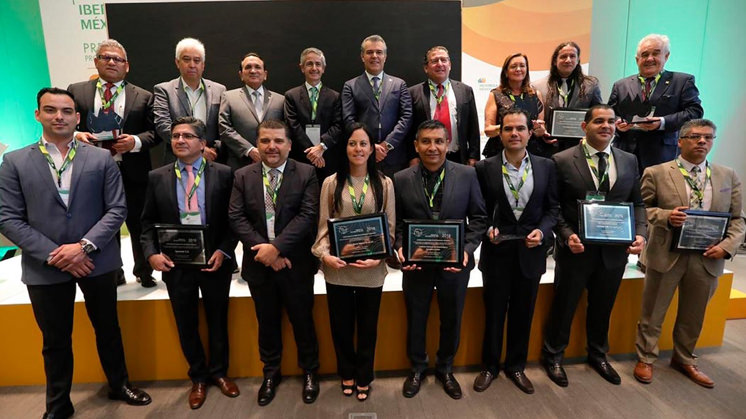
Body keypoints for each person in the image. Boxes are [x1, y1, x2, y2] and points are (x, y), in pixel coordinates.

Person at [0, 87, 151, 418]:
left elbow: (117, 209)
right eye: (51, 110)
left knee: (108, 328)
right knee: (55, 340)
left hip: (96, 260)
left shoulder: (100, 158)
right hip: (46, 266)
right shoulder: (14, 162)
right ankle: (58, 404)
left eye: (66, 111)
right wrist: (57, 254)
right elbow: (7, 217)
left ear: (77, 117)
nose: (59, 116)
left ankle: (119, 384)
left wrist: (83, 247)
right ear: (38, 114)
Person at [633, 119, 745, 388]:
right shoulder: (657, 172)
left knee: (694, 314)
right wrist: (664, 216)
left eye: (708, 137)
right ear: (680, 141)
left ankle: (684, 358)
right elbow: (640, 209)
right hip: (666, 254)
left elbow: (738, 219)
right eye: (695, 136)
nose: (702, 142)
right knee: (653, 312)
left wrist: (727, 246)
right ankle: (646, 358)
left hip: (707, 257)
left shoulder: (727, 175)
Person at [542, 105, 647, 387]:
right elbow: (553, 207)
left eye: (611, 121)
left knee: (603, 306)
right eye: (599, 121)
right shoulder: (561, 160)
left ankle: (598, 355)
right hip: (577, 248)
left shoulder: (628, 160)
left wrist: (640, 233)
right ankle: (553, 356)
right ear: (584, 126)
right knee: (564, 306)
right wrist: (565, 235)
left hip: (613, 251)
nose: (606, 126)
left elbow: (637, 204)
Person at [140, 117, 239, 409]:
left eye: (187, 136)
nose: (180, 140)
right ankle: (198, 377)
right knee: (186, 322)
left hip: (214, 261)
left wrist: (225, 250)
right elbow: (146, 222)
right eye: (175, 136)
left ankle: (220, 373)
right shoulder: (156, 176)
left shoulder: (224, 174)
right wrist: (151, 254)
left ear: (202, 143)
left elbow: (234, 220)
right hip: (175, 263)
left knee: (218, 320)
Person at [228, 120, 321, 406]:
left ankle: (310, 372)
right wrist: (266, 253)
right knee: (267, 322)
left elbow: (307, 216)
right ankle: (271, 373)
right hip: (259, 265)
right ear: (257, 144)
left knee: (302, 321)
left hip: (296, 264)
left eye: (278, 141)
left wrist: (277, 249)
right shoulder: (243, 175)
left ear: (289, 145)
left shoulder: (306, 173)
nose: (272, 146)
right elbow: (236, 217)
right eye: (266, 140)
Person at [394, 120, 487, 400]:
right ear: (416, 145)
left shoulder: (467, 175)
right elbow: (397, 223)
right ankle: (418, 368)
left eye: (438, 141)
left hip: (455, 264)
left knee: (451, 318)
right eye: (426, 141)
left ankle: (446, 368)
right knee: (416, 318)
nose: (432, 147)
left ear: (448, 144)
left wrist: (468, 248)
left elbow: (479, 218)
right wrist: (400, 246)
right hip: (416, 264)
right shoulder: (400, 178)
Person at [473, 109, 559, 394]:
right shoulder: (485, 168)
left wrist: (543, 231)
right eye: (508, 129)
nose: (514, 134)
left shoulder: (546, 166)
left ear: (529, 132)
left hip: (531, 253)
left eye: (520, 128)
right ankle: (489, 366)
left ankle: (516, 366)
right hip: (497, 253)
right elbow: (477, 211)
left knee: (524, 313)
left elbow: (553, 209)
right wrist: (487, 229)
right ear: (500, 132)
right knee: (494, 313)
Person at [311, 123, 395, 401]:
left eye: (363, 144)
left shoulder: (384, 183)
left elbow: (390, 229)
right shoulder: (330, 183)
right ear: (345, 148)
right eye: (352, 144)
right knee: (342, 327)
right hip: (339, 270)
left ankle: (364, 376)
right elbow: (323, 229)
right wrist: (325, 256)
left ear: (373, 149)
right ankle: (346, 372)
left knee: (368, 328)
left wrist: (379, 256)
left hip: (372, 272)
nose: (358, 149)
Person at [68, 39, 159, 288]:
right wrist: (77, 136)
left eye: (117, 59)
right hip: (93, 170)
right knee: (102, 223)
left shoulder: (144, 96)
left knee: (139, 222)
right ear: (96, 61)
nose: (111, 62)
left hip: (133, 169)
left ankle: (144, 270)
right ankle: (112, 271)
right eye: (105, 57)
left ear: (126, 66)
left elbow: (155, 133)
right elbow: (64, 122)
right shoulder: (76, 91)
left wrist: (135, 142)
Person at [608, 34, 704, 173]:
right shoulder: (620, 85)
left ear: (666, 56)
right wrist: (617, 123)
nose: (650, 59)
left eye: (656, 53)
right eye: (645, 54)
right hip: (625, 154)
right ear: (637, 59)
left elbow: (695, 112)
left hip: (663, 156)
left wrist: (662, 122)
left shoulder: (682, 81)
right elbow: (610, 114)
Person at [342, 34, 413, 177]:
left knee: (393, 198)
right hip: (363, 156)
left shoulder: (399, 85)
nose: (374, 56)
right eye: (369, 52)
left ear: (385, 56)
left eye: (379, 52)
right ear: (362, 56)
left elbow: (406, 117)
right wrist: (370, 146)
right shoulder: (350, 86)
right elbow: (349, 120)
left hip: (394, 156)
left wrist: (387, 145)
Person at [153, 37, 226, 165]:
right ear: (177, 62)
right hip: (176, 158)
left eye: (197, 60)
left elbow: (224, 125)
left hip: (212, 158)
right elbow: (162, 125)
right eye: (186, 59)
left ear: (203, 65)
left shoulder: (219, 90)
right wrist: (197, 149)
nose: (192, 65)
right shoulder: (164, 90)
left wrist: (215, 148)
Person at [407, 46, 480, 166]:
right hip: (427, 156)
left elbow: (473, 127)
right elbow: (409, 130)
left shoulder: (465, 90)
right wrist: (412, 157)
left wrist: (473, 156)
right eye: (435, 61)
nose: (440, 64)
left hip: (458, 157)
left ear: (449, 65)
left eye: (444, 60)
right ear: (426, 67)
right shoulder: (413, 93)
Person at [284, 47, 343, 181]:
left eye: (318, 64)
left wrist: (321, 147)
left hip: (327, 157)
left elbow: (338, 125)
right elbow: (292, 125)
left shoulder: (335, 96)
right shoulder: (291, 96)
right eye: (309, 64)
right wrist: (312, 152)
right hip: (301, 156)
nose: (314, 68)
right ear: (302, 68)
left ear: (323, 68)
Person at [219, 53, 285, 170]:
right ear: (241, 75)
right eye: (248, 67)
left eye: (257, 67)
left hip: (273, 162)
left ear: (265, 74)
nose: (253, 71)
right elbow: (224, 128)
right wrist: (249, 150)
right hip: (240, 163)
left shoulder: (280, 100)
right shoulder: (228, 97)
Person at [533, 41, 603, 152]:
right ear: (555, 61)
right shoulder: (537, 86)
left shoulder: (591, 85)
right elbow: (536, 118)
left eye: (572, 56)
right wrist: (542, 132)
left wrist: (590, 134)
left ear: (578, 60)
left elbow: (598, 114)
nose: (568, 60)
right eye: (563, 56)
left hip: (580, 148)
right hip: (547, 147)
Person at [483, 53, 549, 158]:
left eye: (522, 66)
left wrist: (540, 130)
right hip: (501, 151)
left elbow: (541, 129)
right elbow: (488, 130)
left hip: (532, 152)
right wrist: (510, 128)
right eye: (513, 66)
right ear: (506, 72)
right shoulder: (495, 94)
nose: (518, 69)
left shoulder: (536, 94)